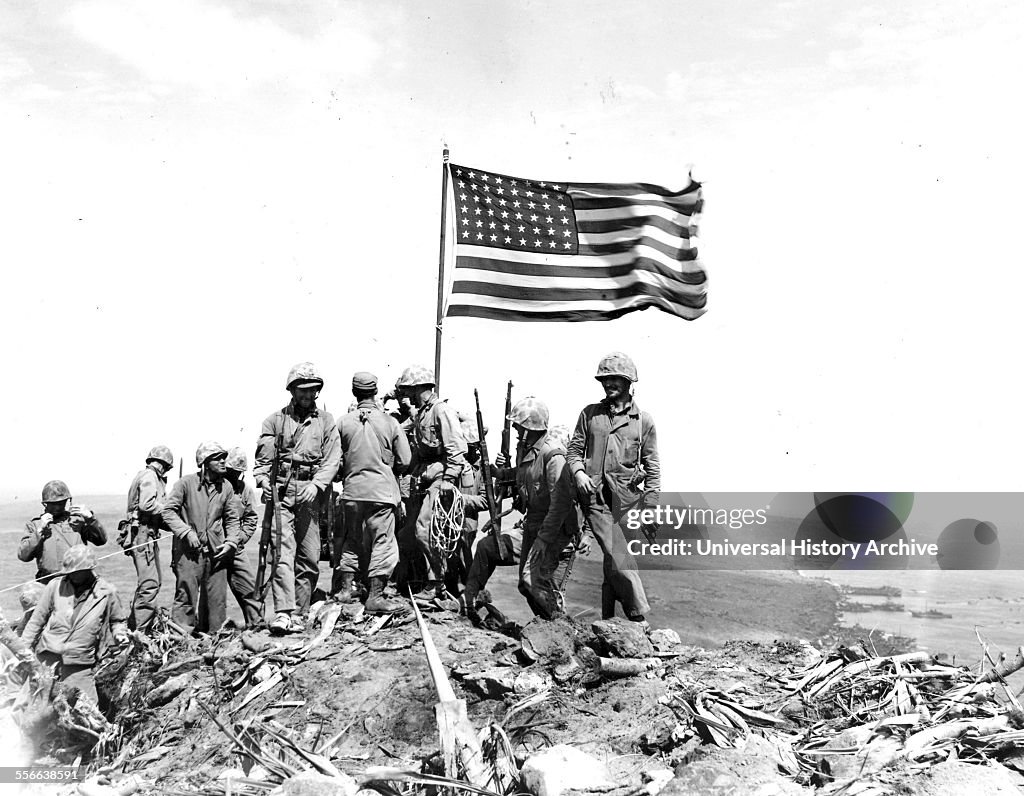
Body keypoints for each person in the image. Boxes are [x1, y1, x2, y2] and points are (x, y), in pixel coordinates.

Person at [542, 352, 659, 624]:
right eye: (605, 380)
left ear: (629, 382)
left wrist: (651, 507)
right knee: (619, 555)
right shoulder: (590, 414)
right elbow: (574, 450)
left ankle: (609, 621)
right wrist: (579, 471)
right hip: (595, 500)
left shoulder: (644, 422)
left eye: (615, 379)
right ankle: (639, 619)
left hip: (628, 502)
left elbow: (652, 466)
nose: (609, 385)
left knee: (612, 563)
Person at [462, 397, 578, 621]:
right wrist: (499, 473)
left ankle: (561, 628)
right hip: (532, 525)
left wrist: (544, 539)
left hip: (554, 532)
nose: (515, 429)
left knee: (531, 580)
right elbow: (522, 475)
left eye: (518, 425)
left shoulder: (553, 456)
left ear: (529, 428)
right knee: (522, 583)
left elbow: (560, 505)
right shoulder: (527, 451)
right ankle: (470, 602)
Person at [254, 362, 341, 634]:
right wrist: (262, 482)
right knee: (282, 553)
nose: (308, 395)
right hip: (281, 494)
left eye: (313, 390)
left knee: (310, 556)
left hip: (310, 495)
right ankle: (283, 612)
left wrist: (316, 485)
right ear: (292, 390)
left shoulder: (326, 422)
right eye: (303, 390)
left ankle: (301, 612)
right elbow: (262, 463)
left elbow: (332, 459)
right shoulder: (274, 421)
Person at [334, 372, 411, 613]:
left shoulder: (343, 422)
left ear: (355, 393)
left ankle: (346, 590)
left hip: (352, 492)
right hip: (381, 493)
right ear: (375, 392)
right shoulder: (389, 422)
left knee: (352, 539)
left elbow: (335, 462)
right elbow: (405, 460)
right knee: (383, 543)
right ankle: (375, 597)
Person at [395, 365, 470, 600]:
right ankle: (406, 582)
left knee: (424, 530)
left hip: (440, 478)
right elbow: (394, 429)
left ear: (419, 389)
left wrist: (448, 479)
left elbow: (457, 448)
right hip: (423, 478)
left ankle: (436, 584)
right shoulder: (420, 414)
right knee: (407, 535)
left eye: (409, 391)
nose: (407, 395)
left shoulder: (441, 411)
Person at [21, 546, 129, 705]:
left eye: (75, 572)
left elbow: (118, 620)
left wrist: (120, 634)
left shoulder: (107, 592)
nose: (70, 575)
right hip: (47, 655)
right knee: (28, 701)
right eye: (68, 572)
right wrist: (23, 649)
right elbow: (37, 620)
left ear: (88, 570)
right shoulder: (55, 585)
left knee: (87, 706)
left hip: (79, 660)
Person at [161, 442, 241, 634]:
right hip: (189, 552)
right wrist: (186, 532)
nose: (223, 461)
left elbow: (232, 519)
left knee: (217, 599)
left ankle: (215, 639)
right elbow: (168, 512)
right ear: (204, 462)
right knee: (186, 595)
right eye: (217, 458)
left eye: (224, 457)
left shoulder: (227, 487)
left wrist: (231, 542)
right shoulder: (185, 484)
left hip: (217, 551)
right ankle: (181, 639)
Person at [122, 445, 174, 630]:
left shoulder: (145, 476)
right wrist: (170, 509)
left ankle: (134, 626)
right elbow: (147, 505)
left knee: (153, 582)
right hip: (143, 537)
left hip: (147, 536)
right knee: (149, 585)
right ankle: (139, 633)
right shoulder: (150, 477)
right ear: (164, 465)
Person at [19, 481, 107, 582]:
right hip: (49, 582)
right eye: (53, 504)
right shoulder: (35, 525)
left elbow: (101, 540)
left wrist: (91, 519)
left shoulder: (78, 520)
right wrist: (39, 531)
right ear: (45, 504)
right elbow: (24, 556)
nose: (57, 507)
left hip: (78, 581)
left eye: (61, 503)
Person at [224, 448, 264, 628]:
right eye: (231, 470)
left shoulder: (245, 490)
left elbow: (251, 518)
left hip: (236, 546)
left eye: (238, 472)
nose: (234, 474)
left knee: (248, 585)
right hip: (214, 544)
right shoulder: (216, 488)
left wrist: (241, 538)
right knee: (212, 592)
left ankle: (257, 625)